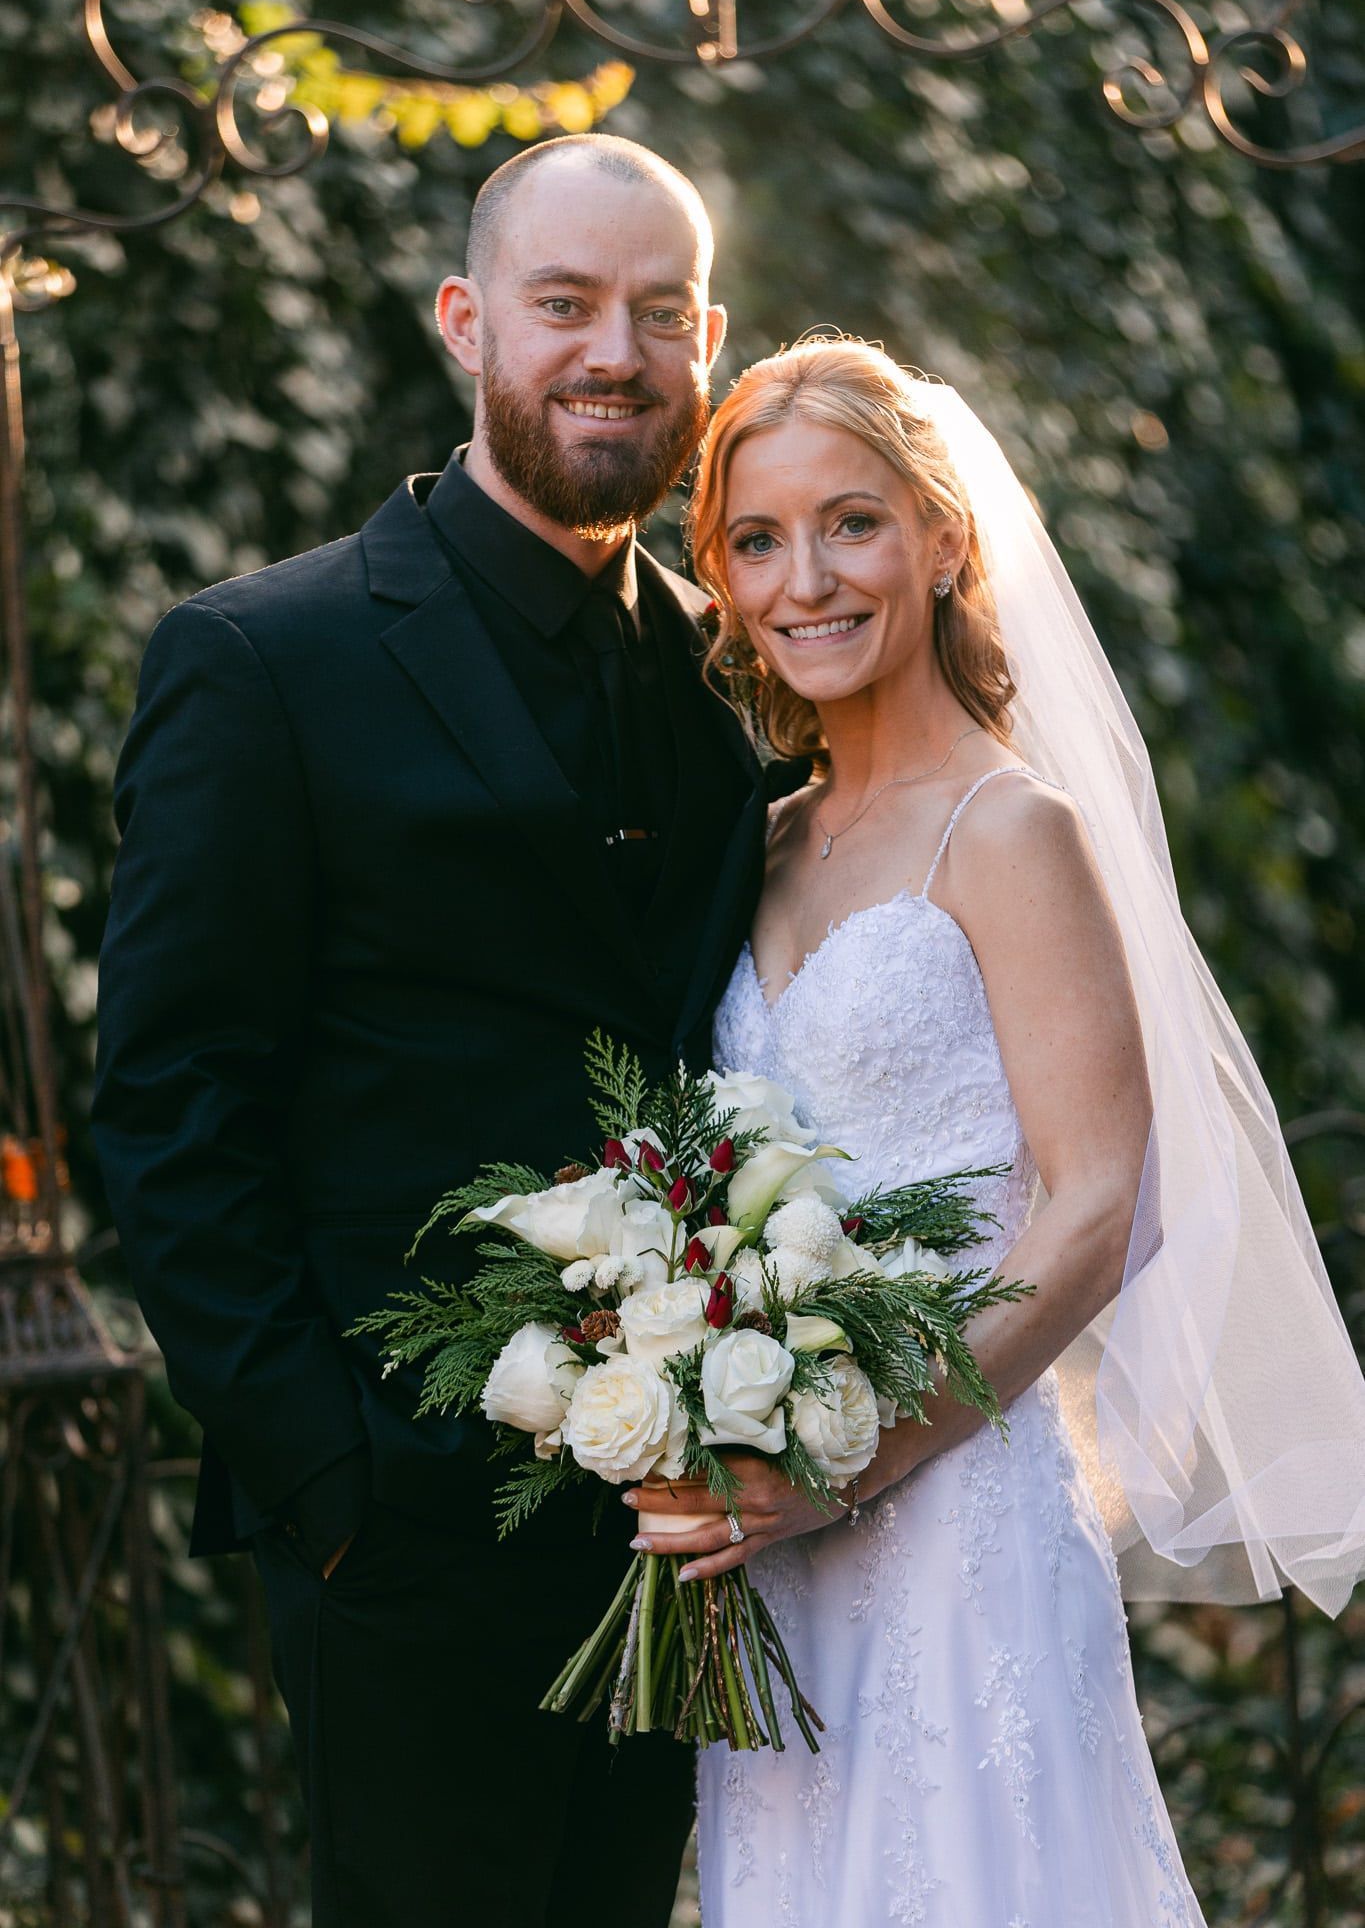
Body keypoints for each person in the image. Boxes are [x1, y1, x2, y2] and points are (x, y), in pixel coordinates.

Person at [92, 134, 765, 1928]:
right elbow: (166, 1102)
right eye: (562, 305)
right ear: (469, 323)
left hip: (675, 1525)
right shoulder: (263, 659)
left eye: (655, 312)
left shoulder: (733, 677)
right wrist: (331, 1481)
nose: (609, 350)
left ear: (706, 339)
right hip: (394, 1526)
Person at [632, 338, 1365, 1924]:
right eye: (754, 541)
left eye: (852, 524)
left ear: (942, 537)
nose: (803, 580)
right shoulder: (752, 846)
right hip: (771, 1552)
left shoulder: (1008, 828)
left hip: (952, 1513)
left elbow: (1096, 1207)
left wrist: (851, 1466)